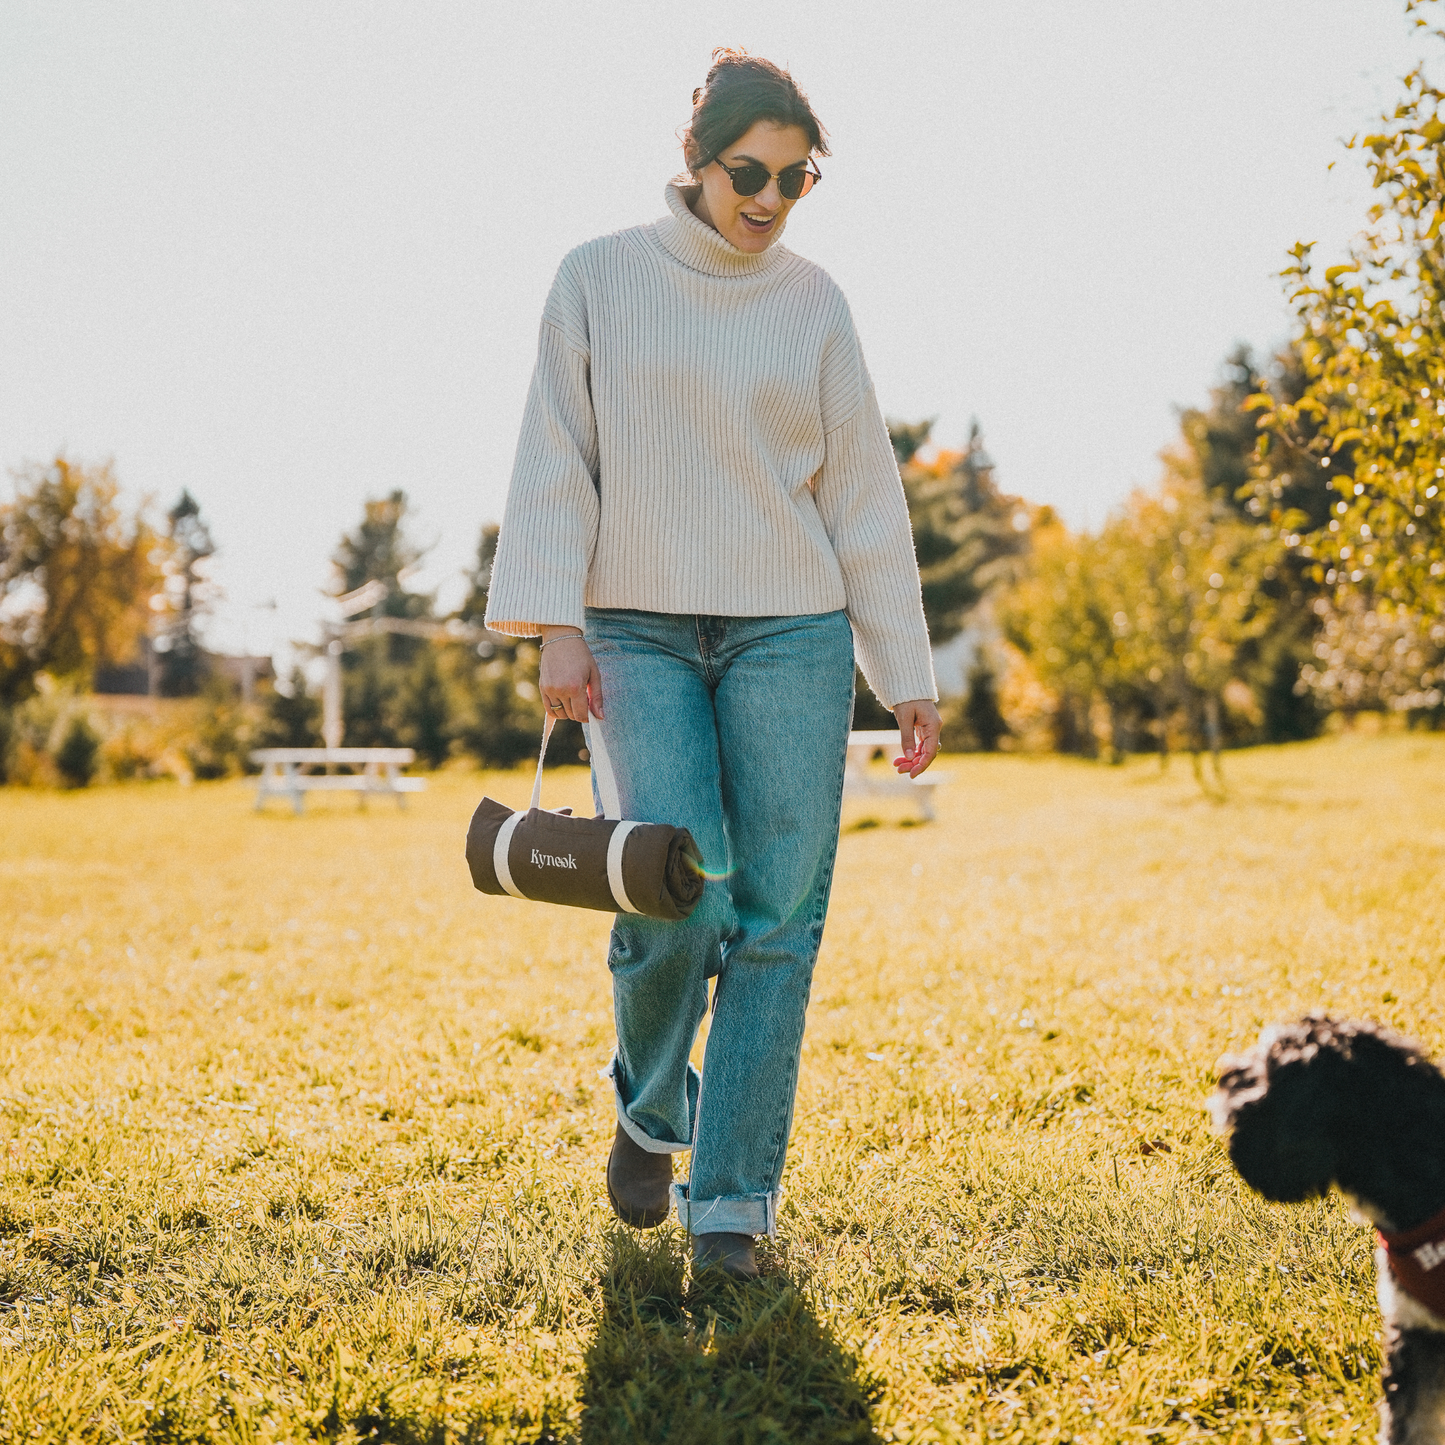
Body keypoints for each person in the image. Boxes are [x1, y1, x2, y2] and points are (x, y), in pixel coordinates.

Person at [485, 49, 939, 1279]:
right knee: (669, 884)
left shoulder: (813, 302)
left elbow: (862, 493)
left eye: (798, 179)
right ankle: (647, 1104)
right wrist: (553, 623)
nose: (770, 198)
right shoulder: (597, 278)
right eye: (751, 172)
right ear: (697, 159)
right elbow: (553, 451)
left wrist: (904, 667)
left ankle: (731, 1200)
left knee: (780, 918)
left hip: (789, 627)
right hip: (630, 625)